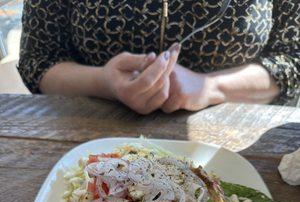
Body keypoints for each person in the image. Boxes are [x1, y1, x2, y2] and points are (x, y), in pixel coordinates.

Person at [18, 0, 299, 114]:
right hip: (86, 140)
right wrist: (105, 82)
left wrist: (211, 87)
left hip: (239, 141)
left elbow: (293, 60)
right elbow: (38, 60)